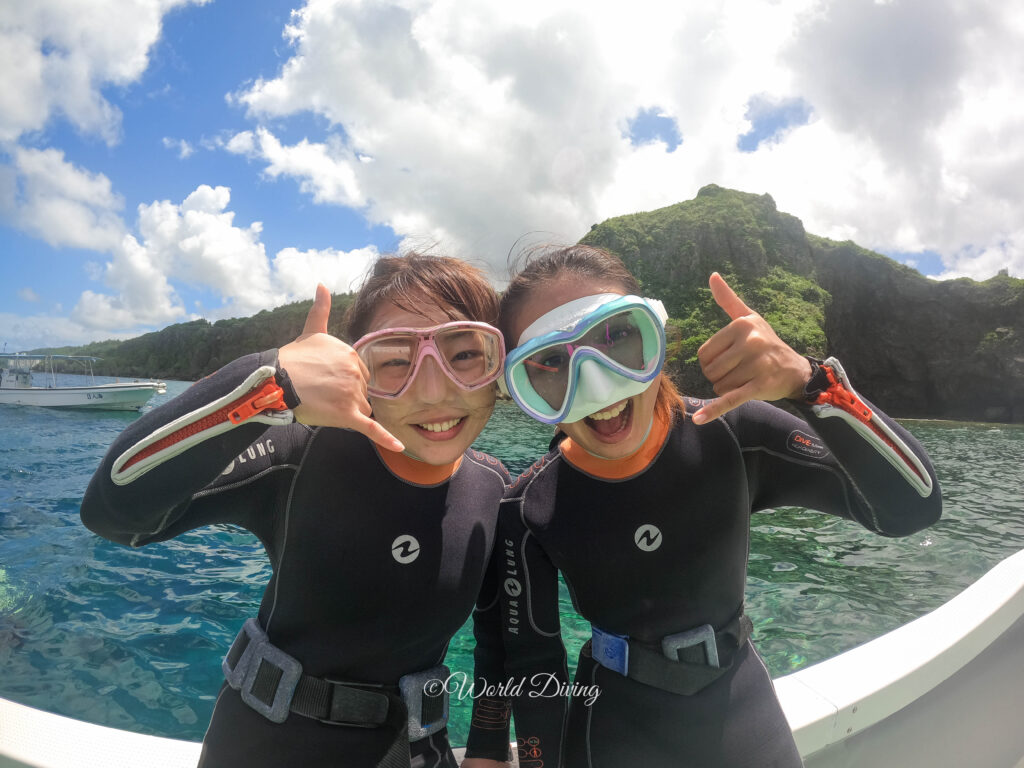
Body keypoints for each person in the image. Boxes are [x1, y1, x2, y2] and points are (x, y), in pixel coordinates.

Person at [484, 245, 941, 768]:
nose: (595, 383)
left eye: (618, 337)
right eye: (549, 363)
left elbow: (910, 509)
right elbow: (532, 661)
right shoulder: (530, 504)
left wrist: (811, 385)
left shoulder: (734, 435)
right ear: (522, 388)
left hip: (742, 711)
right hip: (612, 732)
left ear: (657, 336)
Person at [81, 253, 515, 768]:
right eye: (394, 360)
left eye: (465, 355)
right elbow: (113, 512)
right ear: (355, 372)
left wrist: (487, 748)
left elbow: (500, 637)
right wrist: (267, 384)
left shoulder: (495, 487)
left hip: (418, 751)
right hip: (264, 747)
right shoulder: (297, 453)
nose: (435, 390)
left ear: (498, 365)